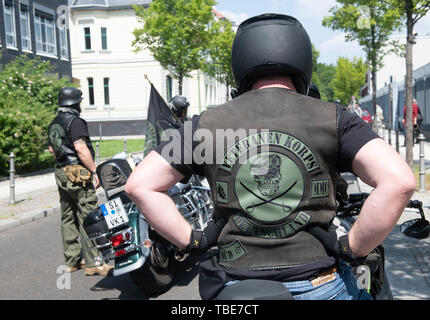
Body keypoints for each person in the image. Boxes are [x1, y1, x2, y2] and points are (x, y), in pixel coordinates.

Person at [125, 14, 415, 300]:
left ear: (240, 64)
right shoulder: (334, 118)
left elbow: (140, 185)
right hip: (319, 285)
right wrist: (352, 246)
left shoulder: (204, 125)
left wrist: (194, 239)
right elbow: (398, 181)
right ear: (303, 62)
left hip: (234, 284)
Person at [48, 87, 113, 276]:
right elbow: (80, 148)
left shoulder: (54, 122)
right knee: (88, 215)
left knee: (67, 216)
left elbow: (53, 150)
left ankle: (72, 261)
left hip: (61, 172)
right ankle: (94, 263)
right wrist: (95, 170)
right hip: (78, 173)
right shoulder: (75, 121)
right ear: (75, 103)